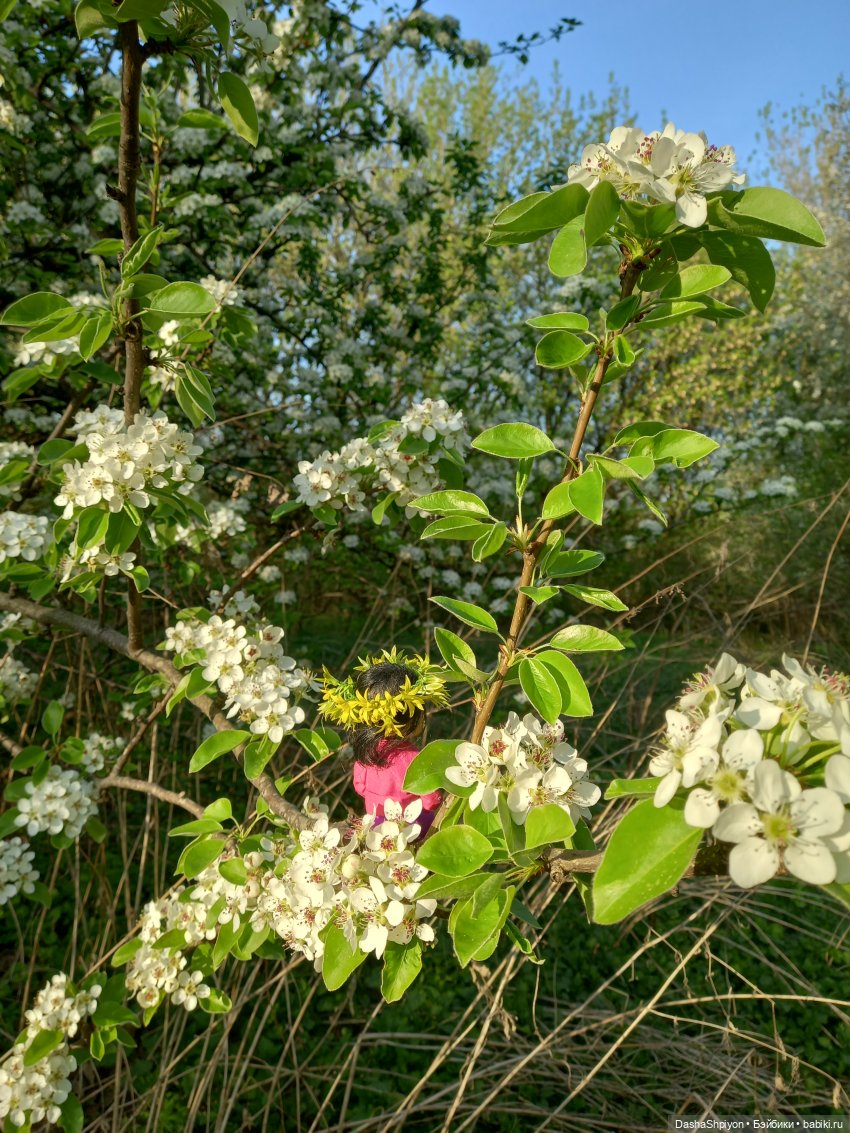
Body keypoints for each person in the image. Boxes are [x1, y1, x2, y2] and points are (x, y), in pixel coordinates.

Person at [318, 649, 449, 834]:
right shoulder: (412, 758)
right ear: (405, 717)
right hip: (411, 825)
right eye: (420, 710)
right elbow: (431, 799)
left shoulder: (366, 752)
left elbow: (360, 787)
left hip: (374, 823)